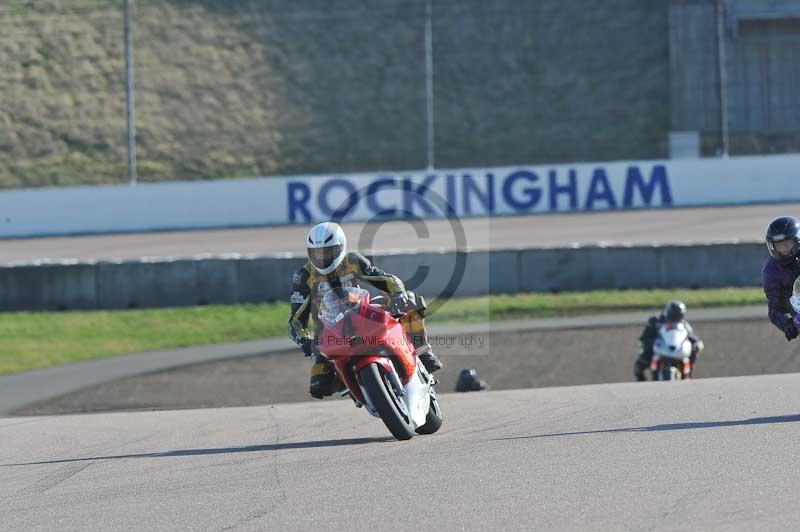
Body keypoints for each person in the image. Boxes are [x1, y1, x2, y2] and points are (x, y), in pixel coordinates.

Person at [288, 222, 443, 399]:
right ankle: (359, 389)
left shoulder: (353, 261)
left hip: (360, 312)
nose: (323, 257)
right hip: (328, 330)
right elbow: (295, 320)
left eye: (328, 251)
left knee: (410, 300)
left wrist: (398, 294)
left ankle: (422, 350)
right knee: (319, 385)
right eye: (317, 252)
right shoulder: (304, 276)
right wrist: (304, 341)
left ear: (340, 247)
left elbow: (386, 279)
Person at [633, 300, 704, 381]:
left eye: (677, 315)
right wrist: (648, 343)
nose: (675, 317)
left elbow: (692, 337)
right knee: (640, 363)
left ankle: (687, 376)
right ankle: (641, 381)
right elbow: (644, 337)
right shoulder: (656, 322)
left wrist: (697, 344)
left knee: (693, 353)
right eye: (674, 314)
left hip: (677, 350)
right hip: (659, 348)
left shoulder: (684, 325)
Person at [762, 216, 800, 341]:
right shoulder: (771, 272)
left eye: (786, 244)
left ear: (796, 240)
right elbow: (774, 309)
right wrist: (787, 325)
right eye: (778, 245)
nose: (783, 249)